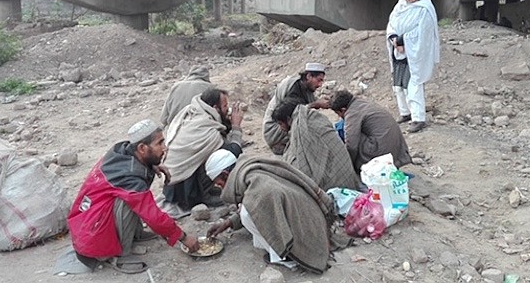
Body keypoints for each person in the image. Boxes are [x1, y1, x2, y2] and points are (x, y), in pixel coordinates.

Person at [66, 120, 199, 274]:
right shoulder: (130, 179)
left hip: (87, 224)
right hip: (92, 237)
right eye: (160, 143)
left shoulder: (121, 151)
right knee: (131, 199)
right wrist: (182, 237)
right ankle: (115, 254)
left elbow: (136, 165)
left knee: (132, 197)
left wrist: (152, 165)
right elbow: (153, 216)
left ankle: (133, 234)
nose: (164, 148)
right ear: (142, 148)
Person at [206, 155, 351, 274]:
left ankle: (285, 256)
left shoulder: (260, 187)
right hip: (309, 213)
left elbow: (256, 206)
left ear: (226, 175)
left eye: (220, 184)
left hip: (307, 224)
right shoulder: (248, 169)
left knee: (246, 214)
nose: (221, 189)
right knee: (248, 209)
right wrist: (228, 222)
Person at [160, 88, 243, 217]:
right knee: (223, 161)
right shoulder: (206, 129)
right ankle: (201, 196)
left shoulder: (195, 112)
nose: (228, 110)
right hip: (182, 190)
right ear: (215, 108)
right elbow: (231, 154)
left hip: (173, 184)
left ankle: (205, 190)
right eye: (225, 106)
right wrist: (236, 126)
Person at [386, 0, 440, 133]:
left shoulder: (425, 9)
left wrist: (404, 40)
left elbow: (424, 33)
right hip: (399, 52)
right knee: (399, 85)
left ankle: (418, 118)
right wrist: (394, 39)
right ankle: (405, 113)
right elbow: (391, 24)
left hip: (414, 53)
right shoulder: (400, 7)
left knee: (413, 85)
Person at [271, 100, 360, 191]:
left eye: (281, 124)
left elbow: (302, 164)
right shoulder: (312, 117)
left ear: (288, 119)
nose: (280, 128)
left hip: (336, 179)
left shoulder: (302, 128)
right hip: (347, 173)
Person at [329, 90, 412, 173]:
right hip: (396, 151)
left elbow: (352, 145)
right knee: (341, 124)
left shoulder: (352, 113)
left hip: (381, 151)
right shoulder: (360, 102)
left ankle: (362, 167)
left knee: (342, 130)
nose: (339, 116)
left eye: (338, 113)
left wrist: (348, 164)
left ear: (343, 110)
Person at [262, 63, 329, 155]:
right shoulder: (292, 87)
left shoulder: (306, 90)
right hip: (275, 129)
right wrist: (315, 104)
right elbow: (288, 112)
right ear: (309, 76)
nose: (320, 85)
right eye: (319, 80)